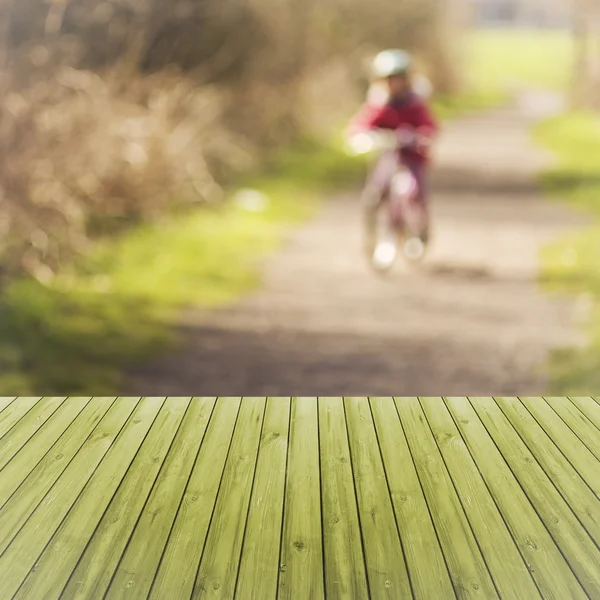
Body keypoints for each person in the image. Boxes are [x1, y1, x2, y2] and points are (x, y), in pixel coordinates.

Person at [347, 49, 439, 252]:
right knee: (374, 193)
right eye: (389, 80)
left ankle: (420, 227)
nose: (394, 84)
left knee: (414, 190)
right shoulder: (380, 104)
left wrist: (422, 135)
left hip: (412, 157)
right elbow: (363, 122)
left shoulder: (415, 104)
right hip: (388, 156)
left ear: (407, 79)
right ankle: (375, 236)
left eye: (398, 79)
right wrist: (361, 135)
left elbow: (429, 125)